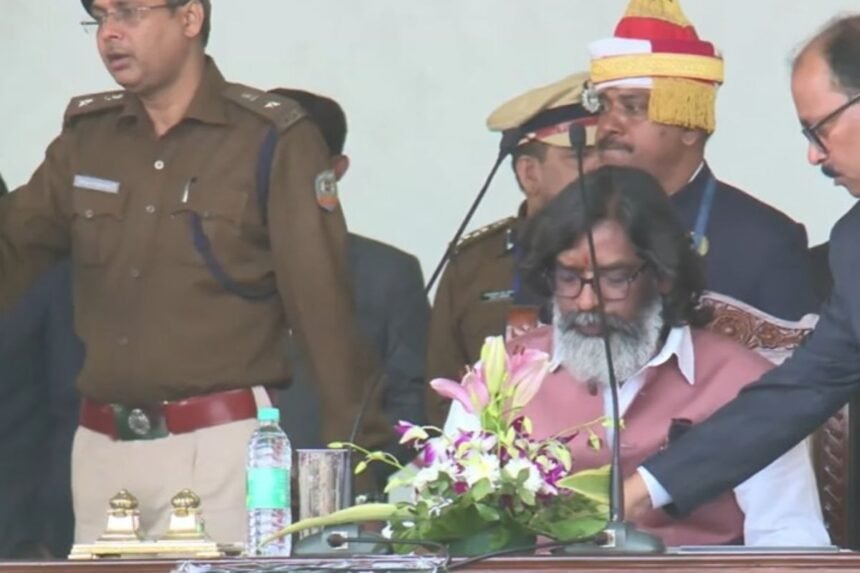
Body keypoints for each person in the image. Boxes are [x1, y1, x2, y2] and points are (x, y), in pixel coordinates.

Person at [0, 0, 391, 544]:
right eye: (100, 16)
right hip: (99, 449)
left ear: (189, 19)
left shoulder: (270, 138)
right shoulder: (87, 138)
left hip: (222, 449)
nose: (109, 33)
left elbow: (324, 313)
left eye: (130, 13)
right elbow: (13, 252)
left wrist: (359, 463)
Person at [444, 166, 829, 546]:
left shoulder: (744, 386)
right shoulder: (502, 374)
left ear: (662, 275)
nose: (587, 301)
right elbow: (442, 522)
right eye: (568, 278)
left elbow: (791, 540)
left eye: (614, 278)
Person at [623, 13, 860, 528]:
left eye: (819, 129)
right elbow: (802, 388)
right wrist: (644, 489)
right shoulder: (854, 244)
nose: (813, 155)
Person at [589, 0, 817, 321]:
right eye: (603, 106)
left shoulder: (763, 242)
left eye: (632, 107)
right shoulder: (575, 226)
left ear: (690, 128)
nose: (608, 125)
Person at [425, 73, 599, 425]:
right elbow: (439, 390)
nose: (599, 168)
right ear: (529, 173)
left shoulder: (633, 261)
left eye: (607, 153)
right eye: (579, 155)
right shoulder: (476, 263)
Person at [269, 88, 430, 467]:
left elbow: (413, 404)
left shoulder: (387, 274)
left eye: (291, 160)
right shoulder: (197, 265)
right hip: (213, 493)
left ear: (335, 170)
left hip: (338, 502)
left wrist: (359, 476)